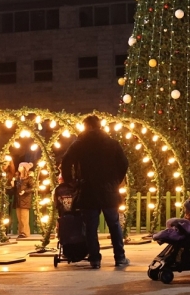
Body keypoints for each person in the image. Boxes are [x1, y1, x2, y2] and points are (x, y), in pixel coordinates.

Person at [60, 115, 130, 268]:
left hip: (88, 190)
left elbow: (66, 161)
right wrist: (115, 181)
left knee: (91, 227)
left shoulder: (79, 144)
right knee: (114, 224)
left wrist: (70, 182)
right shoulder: (112, 143)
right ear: (99, 126)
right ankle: (120, 257)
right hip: (109, 191)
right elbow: (124, 163)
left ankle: (95, 259)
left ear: (86, 127)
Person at [14, 162, 35, 239]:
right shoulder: (18, 178)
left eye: (21, 166)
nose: (19, 167)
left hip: (25, 200)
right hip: (18, 200)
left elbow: (33, 188)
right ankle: (21, 232)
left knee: (24, 217)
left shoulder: (29, 179)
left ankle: (25, 232)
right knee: (19, 217)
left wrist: (25, 191)